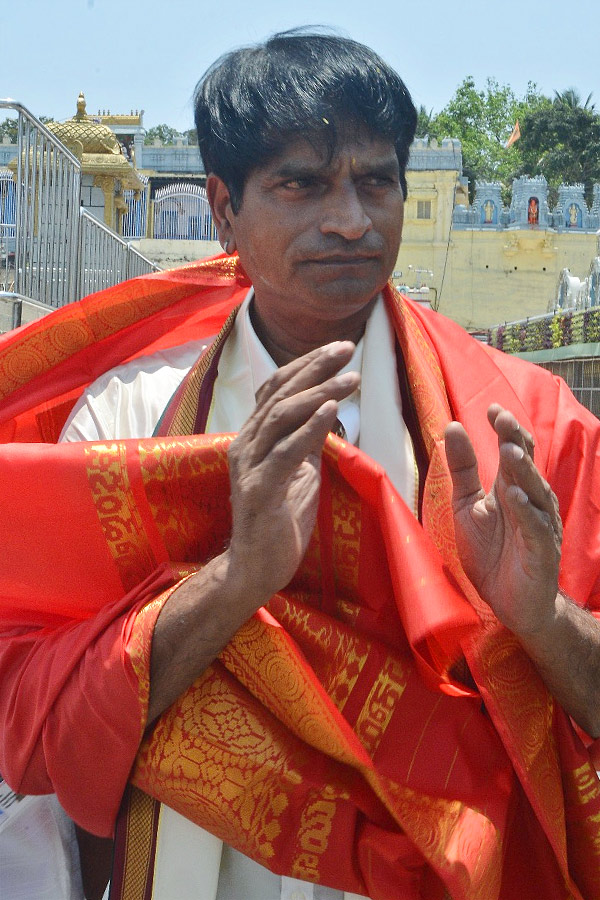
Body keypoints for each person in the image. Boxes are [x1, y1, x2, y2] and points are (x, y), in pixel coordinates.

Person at [0, 30, 600, 900]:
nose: (351, 220)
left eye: (376, 181)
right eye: (302, 184)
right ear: (220, 207)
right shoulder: (130, 422)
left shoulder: (527, 427)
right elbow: (28, 720)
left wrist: (539, 622)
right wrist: (235, 581)